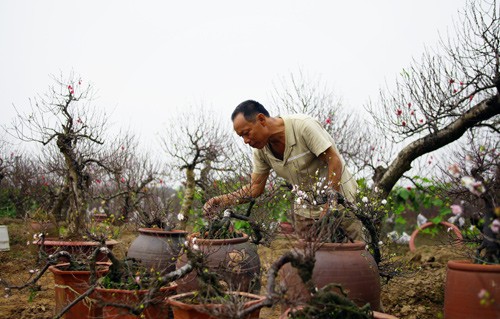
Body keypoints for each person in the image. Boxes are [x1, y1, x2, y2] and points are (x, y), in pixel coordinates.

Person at [203, 100, 363, 241]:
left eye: (246, 133)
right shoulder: (261, 150)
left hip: (341, 202)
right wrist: (221, 201)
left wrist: (331, 204)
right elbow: (255, 189)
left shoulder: (302, 127)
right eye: (241, 137)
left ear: (261, 119)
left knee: (356, 257)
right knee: (310, 262)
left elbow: (333, 160)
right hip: (306, 209)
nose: (246, 141)